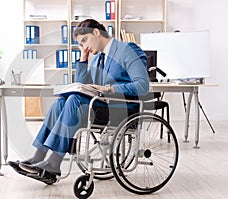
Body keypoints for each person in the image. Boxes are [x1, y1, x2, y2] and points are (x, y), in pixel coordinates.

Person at [8, 19, 149, 182]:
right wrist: (83, 57)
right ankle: (38, 157)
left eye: (84, 40)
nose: (84, 46)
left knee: (75, 100)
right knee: (60, 102)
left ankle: (53, 163)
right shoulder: (96, 58)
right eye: (80, 44)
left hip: (122, 110)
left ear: (96, 32)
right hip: (100, 107)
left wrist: (109, 89)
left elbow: (143, 86)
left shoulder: (127, 49)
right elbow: (82, 85)